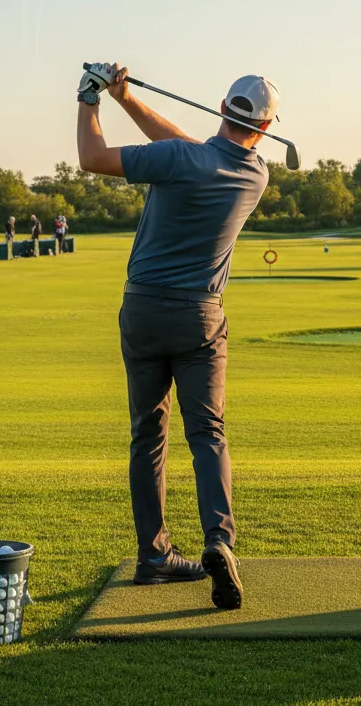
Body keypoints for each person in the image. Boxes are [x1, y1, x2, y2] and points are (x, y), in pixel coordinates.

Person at [75, 61, 277, 610]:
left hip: (143, 311)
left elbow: (92, 159)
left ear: (221, 108)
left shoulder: (181, 159)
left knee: (148, 436)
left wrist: (91, 98)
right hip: (200, 319)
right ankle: (219, 540)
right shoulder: (254, 175)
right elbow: (194, 149)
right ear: (263, 129)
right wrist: (126, 99)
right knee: (208, 434)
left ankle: (155, 556)